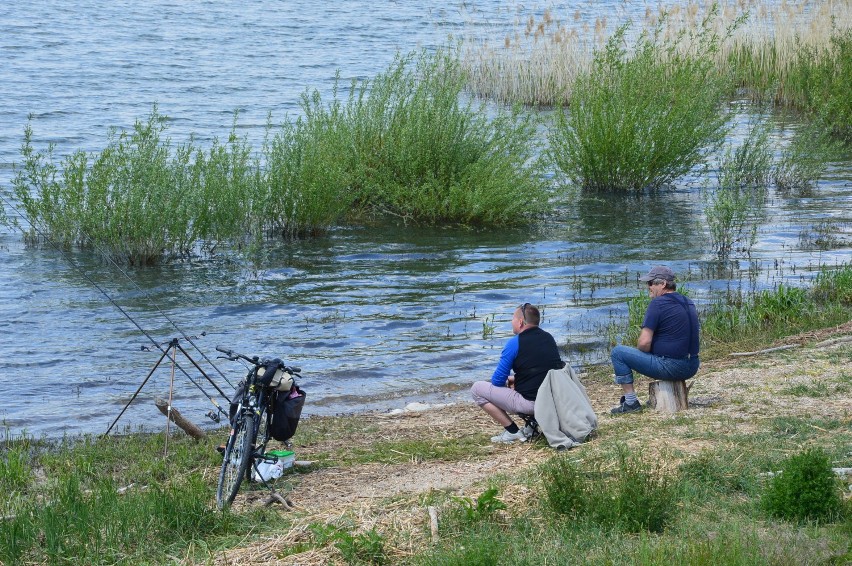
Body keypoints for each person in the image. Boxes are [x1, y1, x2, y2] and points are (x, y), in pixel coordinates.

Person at [610, 266, 700, 414]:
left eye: (651, 283)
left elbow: (644, 343)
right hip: (692, 365)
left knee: (618, 352)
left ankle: (631, 402)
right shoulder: (688, 301)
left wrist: (649, 351)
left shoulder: (658, 304)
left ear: (663, 284)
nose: (648, 287)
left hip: (672, 366)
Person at [471, 303, 564, 443]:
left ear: (520, 322)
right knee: (522, 383)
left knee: (477, 389)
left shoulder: (514, 343)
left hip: (531, 404)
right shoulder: (548, 338)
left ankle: (512, 431)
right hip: (552, 400)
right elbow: (541, 369)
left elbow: (497, 381)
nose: (511, 322)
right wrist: (516, 378)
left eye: (513, 319)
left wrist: (510, 382)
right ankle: (531, 426)